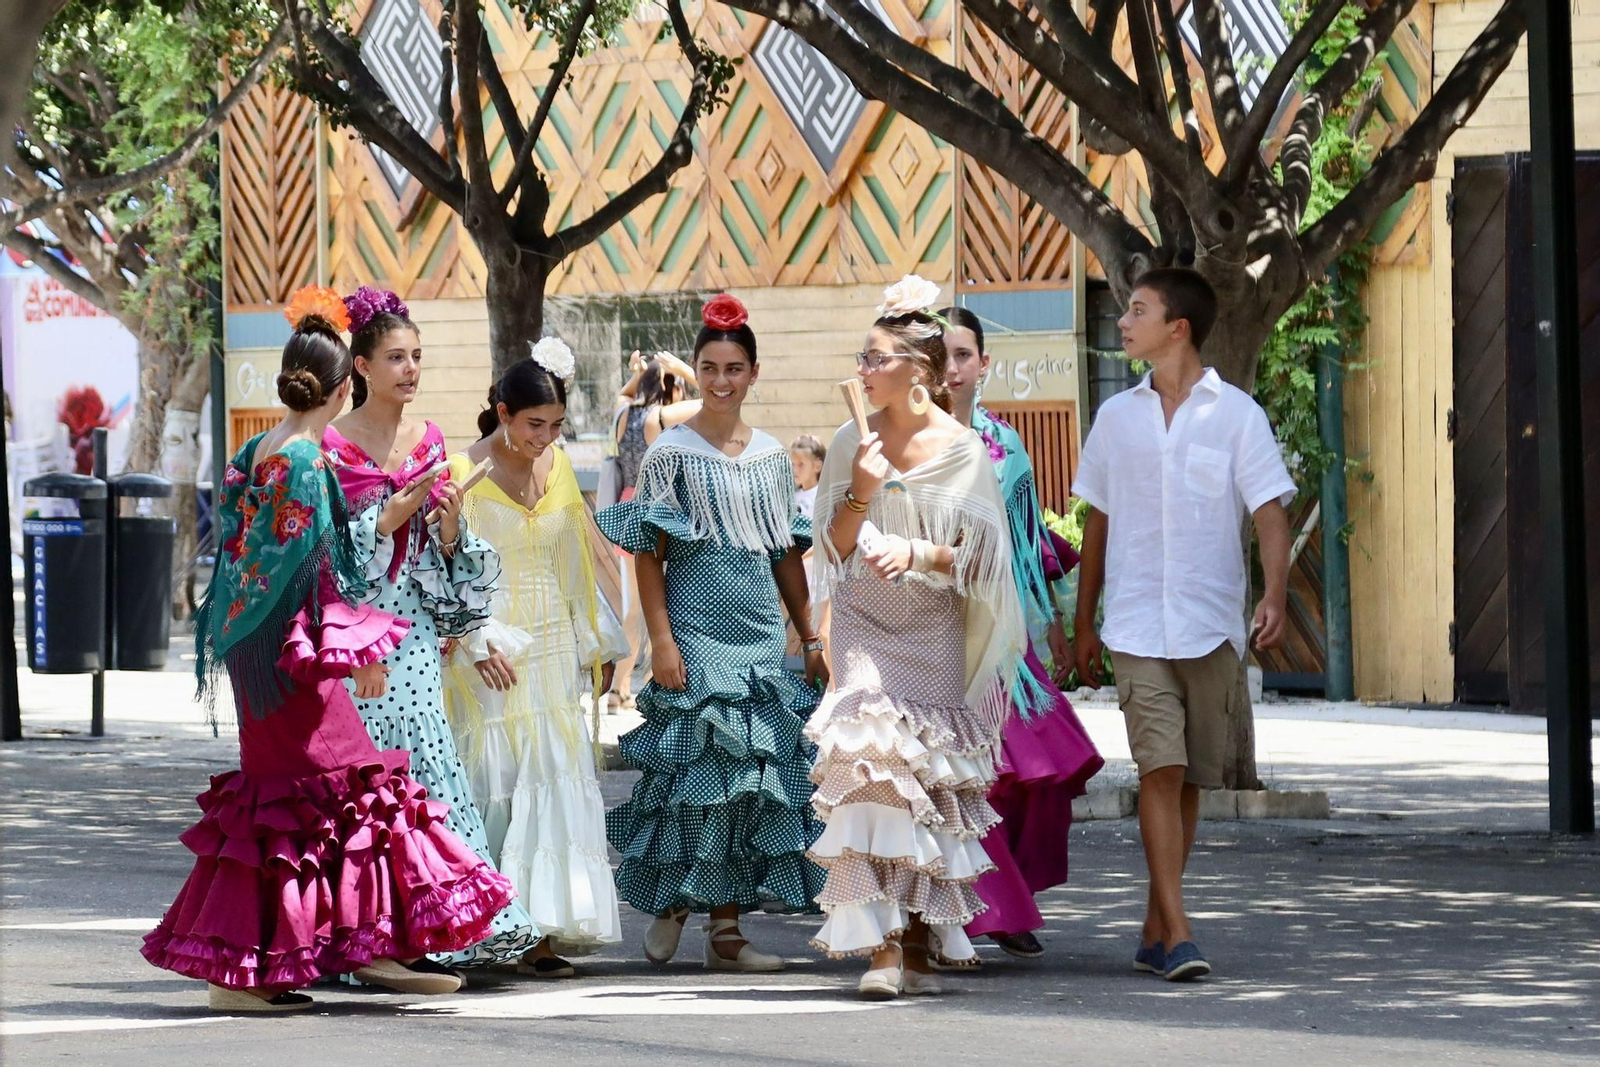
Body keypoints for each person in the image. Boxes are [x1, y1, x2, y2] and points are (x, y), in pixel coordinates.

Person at [141, 287, 515, 1013]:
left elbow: (243, 567)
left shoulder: (258, 449)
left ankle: (332, 953)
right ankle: (302, 960)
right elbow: (318, 571)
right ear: (347, 384)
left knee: (294, 804)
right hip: (296, 663)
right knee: (347, 791)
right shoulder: (310, 462)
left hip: (259, 661)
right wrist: (354, 652)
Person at [807, 276, 1027, 999]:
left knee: (925, 780)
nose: (863, 372)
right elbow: (835, 547)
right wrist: (862, 491)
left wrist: (920, 554)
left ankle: (924, 938)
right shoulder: (850, 439)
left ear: (920, 373)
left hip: (933, 622)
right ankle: (883, 946)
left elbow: (981, 559)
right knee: (869, 764)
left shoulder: (962, 450)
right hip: (866, 621)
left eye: (876, 360)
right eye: (863, 358)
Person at [1072, 268, 1294, 983]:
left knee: (1191, 778)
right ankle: (1181, 930)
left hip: (1209, 622)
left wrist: (1276, 596)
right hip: (1135, 622)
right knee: (1158, 768)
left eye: (1138, 310)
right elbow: (1096, 524)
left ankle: (1154, 921)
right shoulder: (1116, 418)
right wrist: (1084, 621)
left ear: (1179, 328)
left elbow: (1269, 514)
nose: (1125, 320)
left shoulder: (1237, 415)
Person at [597, 293, 828, 972]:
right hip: (693, 631)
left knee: (751, 781)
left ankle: (725, 931)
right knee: (698, 771)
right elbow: (647, 554)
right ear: (697, 370)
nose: (723, 379)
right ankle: (676, 901)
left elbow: (788, 550)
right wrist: (660, 643)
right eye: (711, 366)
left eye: (734, 367)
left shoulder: (770, 457)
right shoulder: (669, 451)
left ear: (753, 372)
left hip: (758, 634)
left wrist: (809, 636)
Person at [323, 286, 537, 967]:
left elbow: (445, 557)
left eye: (416, 356)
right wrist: (383, 520)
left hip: (414, 627)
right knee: (362, 779)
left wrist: (445, 524)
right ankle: (368, 933)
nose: (410, 369)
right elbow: (321, 556)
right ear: (360, 366)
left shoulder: (432, 440)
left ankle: (447, 926)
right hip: (355, 627)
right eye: (394, 357)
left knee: (426, 766)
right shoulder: (330, 445)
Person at [442, 344, 628, 977]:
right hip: (490, 648)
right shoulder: (458, 470)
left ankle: (541, 931)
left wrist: (597, 644)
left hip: (550, 644)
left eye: (556, 425)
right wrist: (473, 639)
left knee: (551, 773)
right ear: (502, 413)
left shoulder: (558, 469)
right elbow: (443, 571)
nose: (545, 438)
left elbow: (577, 560)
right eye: (533, 425)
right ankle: (486, 926)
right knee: (495, 777)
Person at [937, 306, 1103, 962]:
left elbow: (1030, 543)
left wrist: (1058, 628)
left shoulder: (1006, 446)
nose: (951, 367)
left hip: (1003, 631)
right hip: (929, 624)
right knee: (966, 772)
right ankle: (985, 909)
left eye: (962, 354)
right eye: (941, 354)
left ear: (984, 363)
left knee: (1036, 771)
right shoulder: (903, 438)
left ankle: (1008, 901)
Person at [608, 350, 701, 711]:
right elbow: (713, 398)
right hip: (659, 516)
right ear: (670, 388)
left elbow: (625, 393)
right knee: (661, 607)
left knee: (633, 607)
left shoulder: (622, 414)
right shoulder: (662, 416)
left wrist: (640, 373)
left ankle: (620, 688)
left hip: (626, 511)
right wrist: (684, 370)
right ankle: (653, 684)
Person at [788, 434, 826, 521]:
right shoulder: (792, 496)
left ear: (817, 466)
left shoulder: (821, 496)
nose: (794, 470)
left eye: (801, 465)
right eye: (793, 464)